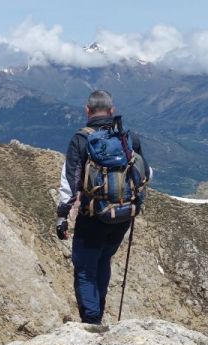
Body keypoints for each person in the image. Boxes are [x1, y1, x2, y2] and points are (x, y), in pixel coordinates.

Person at [56, 89, 147, 324]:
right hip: (123, 216)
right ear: (111, 110)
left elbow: (70, 182)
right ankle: (99, 313)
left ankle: (92, 321)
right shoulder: (128, 139)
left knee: (85, 268)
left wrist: (62, 216)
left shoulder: (81, 139)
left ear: (87, 111)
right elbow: (145, 173)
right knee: (103, 260)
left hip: (93, 216)